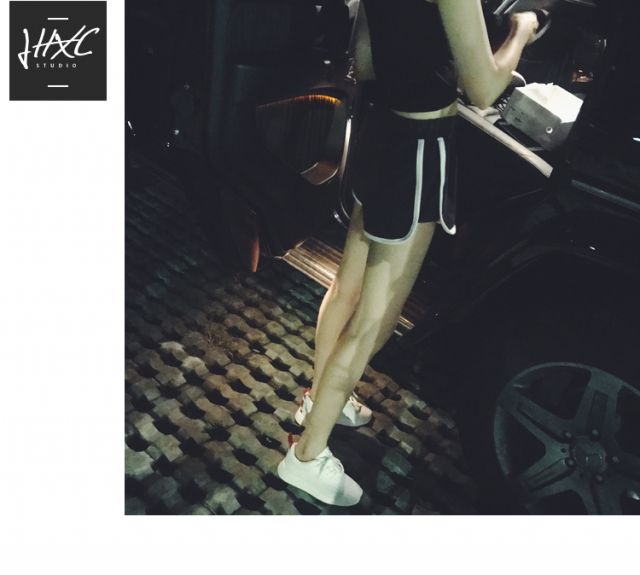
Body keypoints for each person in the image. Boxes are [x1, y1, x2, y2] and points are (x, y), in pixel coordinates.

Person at [277, 0, 546, 506]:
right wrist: (521, 30)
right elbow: (485, 87)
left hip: (381, 130)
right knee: (374, 319)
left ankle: (320, 401)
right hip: (422, 144)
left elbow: (366, 60)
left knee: (345, 288)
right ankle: (307, 456)